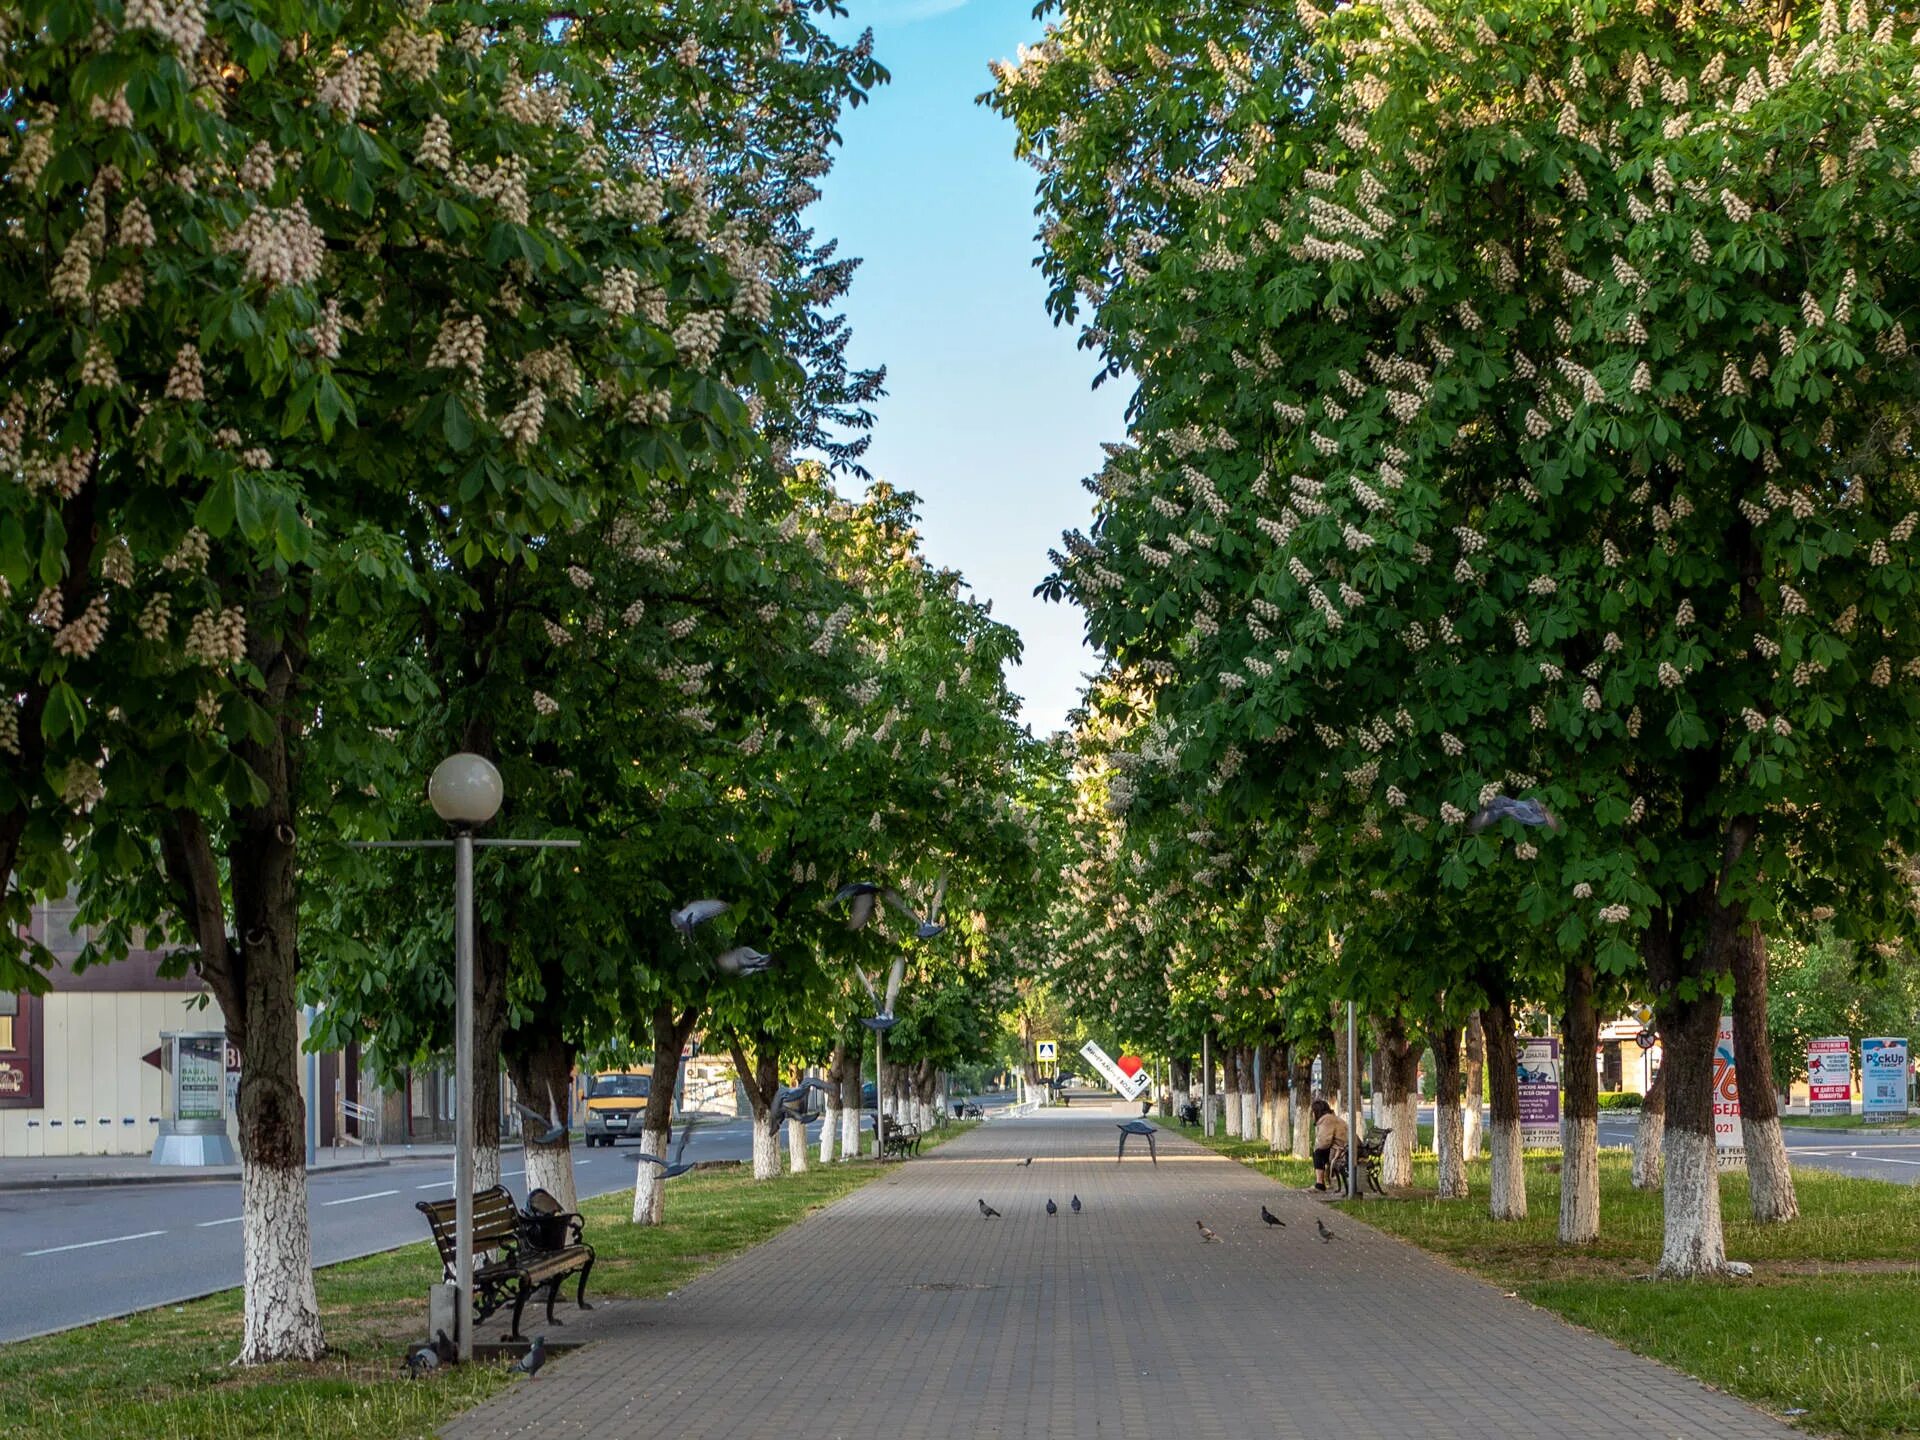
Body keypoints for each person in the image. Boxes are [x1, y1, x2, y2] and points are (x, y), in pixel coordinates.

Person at [1311, 1097, 1348, 1192]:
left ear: (1316, 1112)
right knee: (1320, 1152)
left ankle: (1320, 1184)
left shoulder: (1327, 1120)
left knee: (1318, 1152)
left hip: (1345, 1151)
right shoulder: (1331, 1117)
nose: (1312, 1115)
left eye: (1312, 1112)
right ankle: (1322, 1182)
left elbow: (1324, 1143)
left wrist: (1316, 1147)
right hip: (1348, 1148)